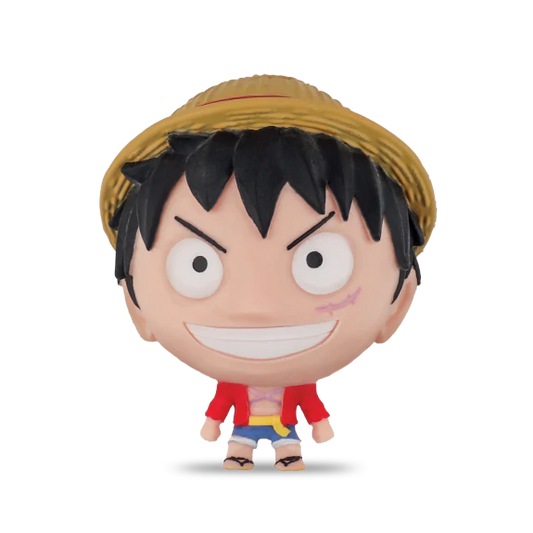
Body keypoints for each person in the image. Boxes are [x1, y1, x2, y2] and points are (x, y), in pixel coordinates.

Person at [97, 73, 438, 471]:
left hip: (284, 428)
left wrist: (320, 426)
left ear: (400, 304)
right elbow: (220, 408)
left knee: (284, 442)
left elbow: (311, 407)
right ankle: (243, 451)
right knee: (242, 442)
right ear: (133, 306)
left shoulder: (298, 386)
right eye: (197, 265)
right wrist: (211, 425)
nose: (256, 306)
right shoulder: (233, 385)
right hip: (245, 427)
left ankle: (282, 452)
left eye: (318, 260)